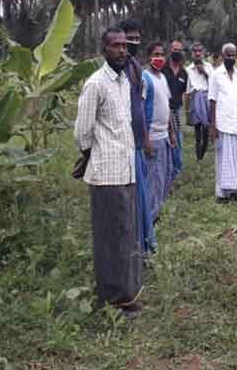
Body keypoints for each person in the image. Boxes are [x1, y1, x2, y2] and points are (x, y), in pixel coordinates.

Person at [74, 26, 142, 315]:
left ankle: (127, 295)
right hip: (106, 175)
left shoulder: (124, 82)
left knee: (126, 233)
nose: (122, 50)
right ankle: (112, 301)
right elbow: (82, 132)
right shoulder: (96, 84)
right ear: (104, 50)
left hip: (126, 171)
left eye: (124, 46)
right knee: (109, 239)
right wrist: (95, 155)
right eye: (115, 46)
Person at [117, 19, 156, 255]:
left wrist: (145, 136)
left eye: (136, 39)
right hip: (121, 146)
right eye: (127, 39)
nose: (132, 44)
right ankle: (131, 247)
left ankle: (143, 245)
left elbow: (141, 108)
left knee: (141, 199)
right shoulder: (112, 73)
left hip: (138, 144)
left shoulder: (136, 69)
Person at [142, 42, 177, 223]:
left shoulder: (162, 78)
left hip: (164, 136)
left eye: (163, 54)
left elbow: (168, 107)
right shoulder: (145, 79)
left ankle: (156, 211)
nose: (160, 58)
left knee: (164, 176)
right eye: (156, 54)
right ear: (149, 56)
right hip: (152, 137)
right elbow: (140, 110)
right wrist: (145, 139)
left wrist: (172, 133)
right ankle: (151, 217)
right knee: (153, 178)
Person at [208, 43, 237, 202]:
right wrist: (213, 126)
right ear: (222, 56)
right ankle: (221, 194)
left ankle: (232, 191)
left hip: (235, 124)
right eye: (228, 55)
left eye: (233, 55)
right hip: (221, 124)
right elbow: (212, 101)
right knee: (222, 159)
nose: (231, 58)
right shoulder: (216, 75)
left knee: (235, 158)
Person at [163, 40, 188, 179]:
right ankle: (167, 167)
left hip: (177, 109)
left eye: (179, 50)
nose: (177, 52)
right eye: (175, 49)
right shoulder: (163, 69)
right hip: (163, 109)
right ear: (170, 51)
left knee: (178, 137)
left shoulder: (184, 73)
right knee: (165, 137)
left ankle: (177, 168)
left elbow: (184, 93)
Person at [186, 42, 213, 161]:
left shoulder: (209, 67)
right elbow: (187, 91)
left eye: (199, 51)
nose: (197, 53)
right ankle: (198, 158)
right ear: (192, 53)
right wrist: (187, 110)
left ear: (203, 52)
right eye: (195, 51)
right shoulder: (188, 70)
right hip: (195, 98)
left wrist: (204, 73)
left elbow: (214, 84)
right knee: (197, 129)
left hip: (206, 98)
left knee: (206, 128)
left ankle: (202, 153)